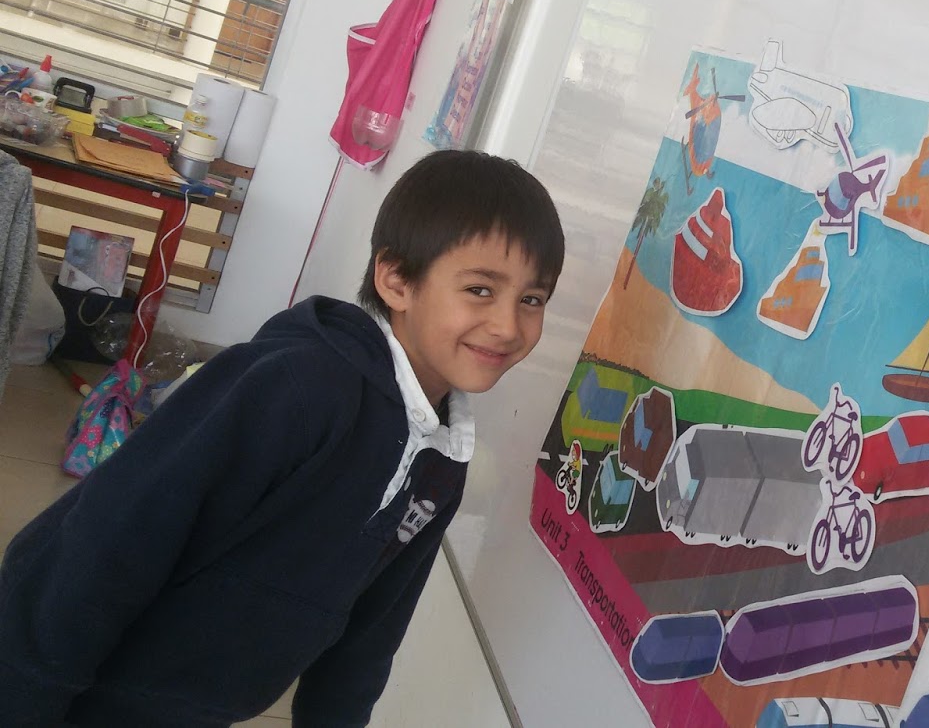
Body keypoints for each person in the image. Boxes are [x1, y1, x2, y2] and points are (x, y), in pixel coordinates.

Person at [0, 150, 565, 727]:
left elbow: (372, 632)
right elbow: (107, 539)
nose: (508, 326)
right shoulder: (297, 387)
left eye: (532, 299)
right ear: (396, 279)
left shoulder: (445, 455)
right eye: (480, 289)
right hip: (68, 685)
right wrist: (27, 698)